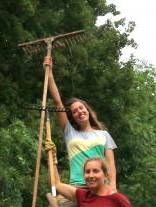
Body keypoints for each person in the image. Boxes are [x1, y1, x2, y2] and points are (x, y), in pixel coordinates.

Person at [44, 56, 118, 193]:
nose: (79, 111)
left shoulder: (104, 135)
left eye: (81, 108)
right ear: (72, 116)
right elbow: (57, 102)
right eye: (75, 111)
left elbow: (110, 163)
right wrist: (49, 73)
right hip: (77, 187)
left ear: (87, 110)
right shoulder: (69, 132)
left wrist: (112, 186)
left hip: (101, 187)